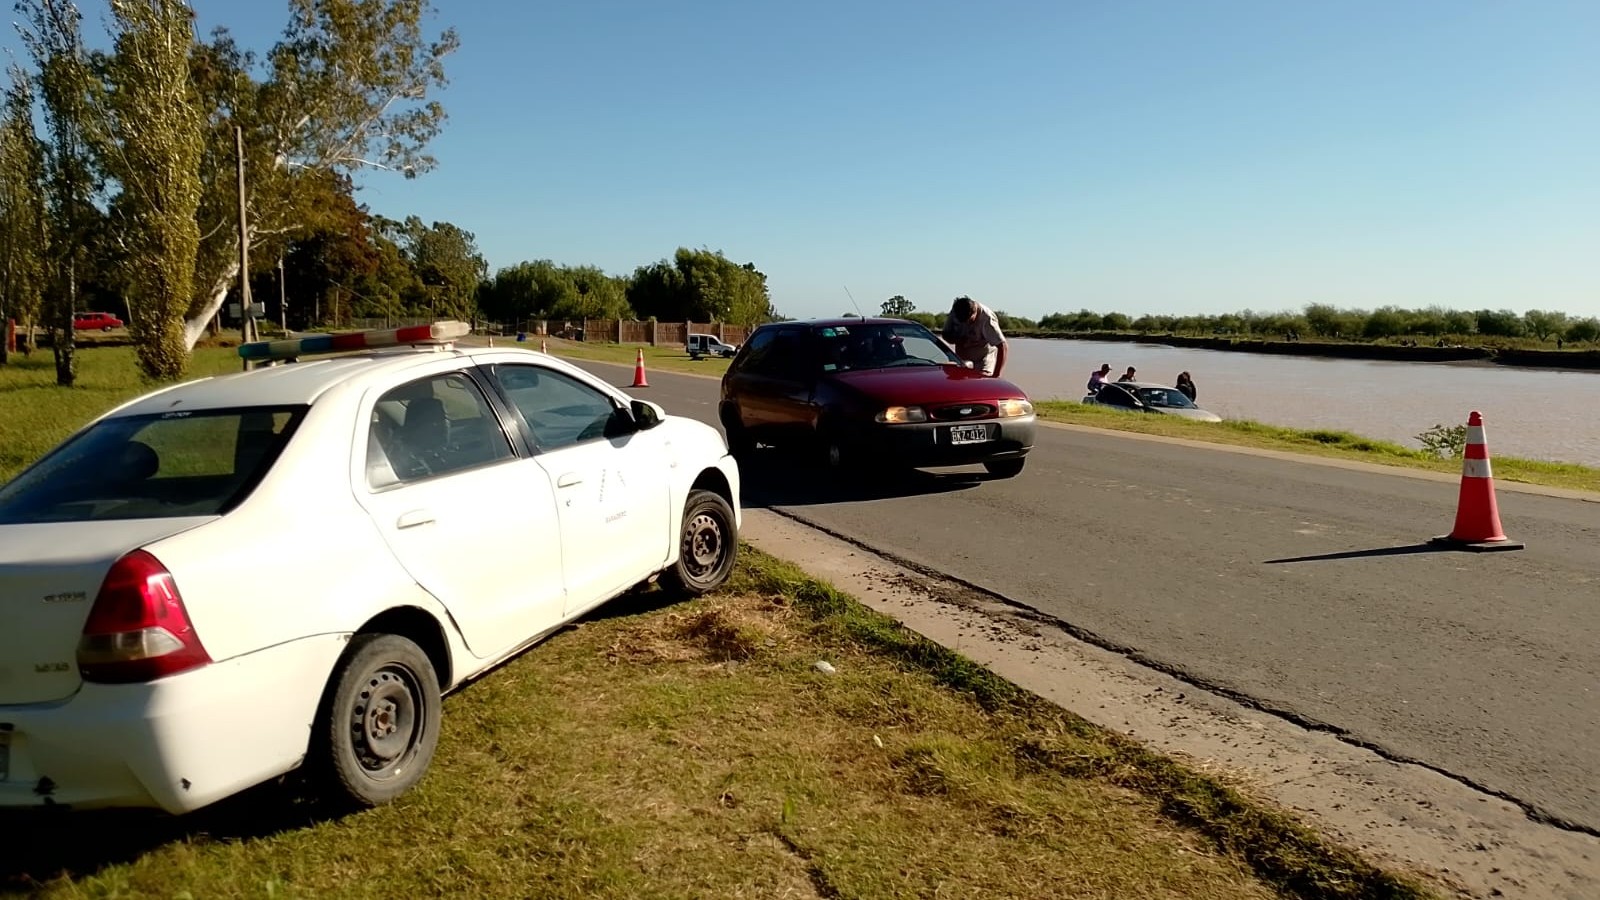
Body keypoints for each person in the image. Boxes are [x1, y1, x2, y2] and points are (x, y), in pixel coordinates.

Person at [940, 295, 1008, 376]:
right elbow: (945, 335)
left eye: (968, 321)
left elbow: (1002, 346)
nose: (965, 324)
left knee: (981, 383)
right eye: (961, 322)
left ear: (974, 312)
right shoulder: (955, 312)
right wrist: (957, 339)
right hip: (962, 359)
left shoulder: (987, 319)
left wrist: (996, 375)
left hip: (982, 361)